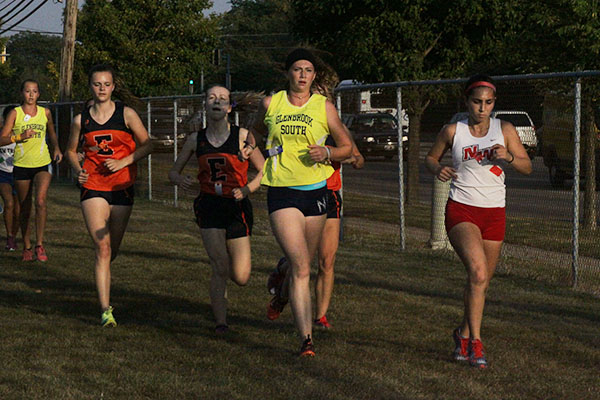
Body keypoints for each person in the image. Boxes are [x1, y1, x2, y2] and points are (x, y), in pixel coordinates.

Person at [425, 74, 532, 368]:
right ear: (467, 102)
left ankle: (461, 333)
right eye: (477, 102)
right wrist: (439, 170)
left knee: (481, 281)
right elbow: (431, 158)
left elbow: (527, 167)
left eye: (488, 102)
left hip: (495, 211)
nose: (482, 108)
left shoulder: (505, 129)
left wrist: (508, 156)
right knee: (478, 271)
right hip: (462, 209)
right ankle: (476, 343)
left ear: (494, 103)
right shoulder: (453, 131)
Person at [251, 48, 352, 356]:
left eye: (308, 70)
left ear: (314, 76)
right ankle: (306, 339)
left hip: (316, 191)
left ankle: (281, 293)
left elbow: (347, 147)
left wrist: (329, 153)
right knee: (301, 266)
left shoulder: (325, 107)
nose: (303, 75)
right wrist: (259, 160)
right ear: (288, 73)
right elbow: (252, 136)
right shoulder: (271, 103)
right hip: (282, 191)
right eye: (297, 69)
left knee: (302, 265)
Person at [168, 85, 265, 335]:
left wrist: (247, 189)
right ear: (205, 104)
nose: (217, 102)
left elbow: (265, 171)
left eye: (222, 99)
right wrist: (180, 180)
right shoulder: (195, 139)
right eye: (212, 97)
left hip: (236, 205)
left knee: (241, 276)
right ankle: (221, 323)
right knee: (219, 265)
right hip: (209, 204)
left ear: (230, 107)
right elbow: (173, 171)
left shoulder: (242, 136)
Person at [65, 64, 152, 327]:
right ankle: (106, 311)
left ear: (113, 86)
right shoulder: (81, 120)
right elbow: (71, 150)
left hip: (122, 187)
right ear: (90, 86)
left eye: (106, 84)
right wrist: (79, 170)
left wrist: (124, 161)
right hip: (93, 186)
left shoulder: (126, 114)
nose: (101, 89)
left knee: (111, 250)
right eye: (97, 84)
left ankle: (103, 275)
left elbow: (147, 144)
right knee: (102, 248)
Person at [267, 128, 364, 330]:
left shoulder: (338, 130)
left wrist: (343, 157)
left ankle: (320, 317)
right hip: (302, 194)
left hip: (329, 195)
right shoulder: (299, 125)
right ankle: (282, 291)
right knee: (301, 263)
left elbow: (358, 159)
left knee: (327, 261)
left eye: (323, 95)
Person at [0, 80, 63, 262]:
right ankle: (27, 245)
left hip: (42, 163)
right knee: (24, 206)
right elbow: (2, 139)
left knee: (41, 201)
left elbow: (51, 132)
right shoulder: (15, 113)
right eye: (27, 91)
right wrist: (20, 137)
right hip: (21, 165)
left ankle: (39, 244)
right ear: (22, 93)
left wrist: (57, 148)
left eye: (34, 91)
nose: (31, 94)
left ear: (39, 95)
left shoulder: (45, 113)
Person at [0, 105, 19, 251]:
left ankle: (14, 235)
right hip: (3, 174)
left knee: (19, 209)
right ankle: (9, 237)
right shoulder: (1, 134)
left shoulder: (23, 134)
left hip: (19, 173)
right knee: (9, 203)